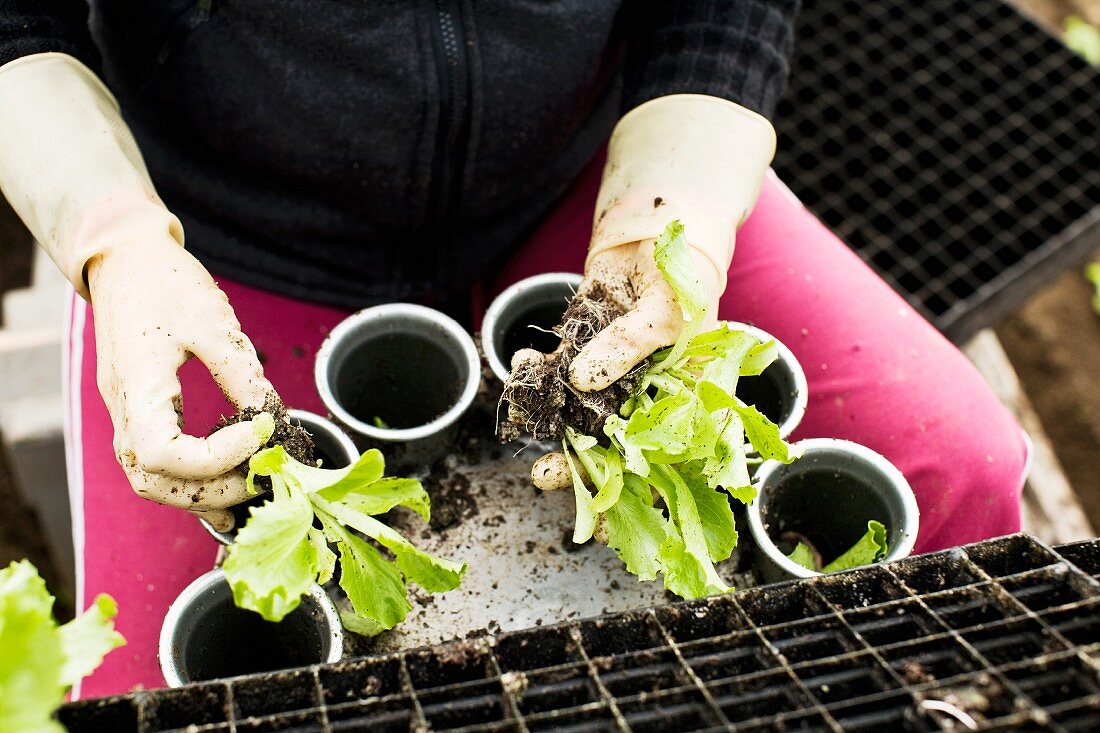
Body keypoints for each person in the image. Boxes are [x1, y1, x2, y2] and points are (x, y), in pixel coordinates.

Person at [0, 1, 1027, 697]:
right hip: (217, 244)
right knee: (153, 678)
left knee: (952, 465)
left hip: (593, 180)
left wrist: (683, 179)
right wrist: (111, 235)